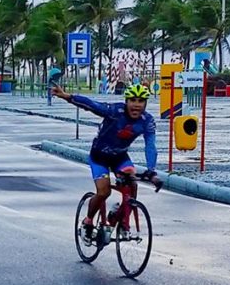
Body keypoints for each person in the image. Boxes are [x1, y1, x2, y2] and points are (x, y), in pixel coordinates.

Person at [50, 82, 160, 242]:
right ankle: (88, 222)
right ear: (126, 101)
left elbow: (150, 145)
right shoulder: (115, 112)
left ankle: (121, 219)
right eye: (132, 100)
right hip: (99, 156)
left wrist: (151, 170)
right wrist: (67, 96)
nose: (136, 105)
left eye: (141, 101)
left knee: (132, 183)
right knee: (104, 192)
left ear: (146, 103)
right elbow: (91, 105)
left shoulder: (147, 120)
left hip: (119, 157)